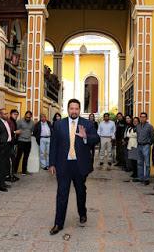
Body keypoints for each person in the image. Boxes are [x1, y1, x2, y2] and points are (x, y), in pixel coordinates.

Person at [49, 99, 100, 235]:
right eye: (71, 108)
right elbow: (53, 145)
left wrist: (85, 137)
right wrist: (52, 163)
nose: (74, 111)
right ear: (68, 109)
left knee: (81, 191)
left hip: (80, 165)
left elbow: (96, 139)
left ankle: (82, 213)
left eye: (76, 109)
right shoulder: (59, 124)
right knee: (61, 194)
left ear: (79, 109)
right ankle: (58, 223)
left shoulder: (87, 124)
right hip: (63, 165)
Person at [0, 108, 13, 191]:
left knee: (5, 166)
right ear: (0, 115)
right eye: (5, 114)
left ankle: (3, 182)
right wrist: (1, 144)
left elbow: (7, 133)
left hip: (8, 146)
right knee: (1, 166)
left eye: (7, 113)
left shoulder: (6, 122)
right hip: (2, 147)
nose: (7, 115)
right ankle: (0, 185)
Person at [136, 112, 154, 185]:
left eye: (144, 117)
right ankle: (141, 178)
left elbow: (152, 136)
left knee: (147, 163)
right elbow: (137, 135)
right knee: (139, 162)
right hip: (139, 145)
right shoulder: (138, 126)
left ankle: (146, 178)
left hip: (146, 146)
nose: (142, 118)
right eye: (141, 117)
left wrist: (149, 143)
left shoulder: (150, 126)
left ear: (146, 118)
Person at [15, 111, 35, 175]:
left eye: (29, 117)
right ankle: (14, 171)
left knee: (26, 156)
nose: (27, 118)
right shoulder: (19, 121)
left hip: (28, 142)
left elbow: (31, 130)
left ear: (31, 117)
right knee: (18, 156)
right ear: (25, 115)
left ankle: (24, 171)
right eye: (26, 117)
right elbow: (16, 129)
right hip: (21, 141)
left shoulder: (32, 122)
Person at [8, 109, 21, 181]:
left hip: (14, 143)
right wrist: (16, 132)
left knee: (13, 160)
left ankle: (12, 174)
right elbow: (8, 132)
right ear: (11, 114)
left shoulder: (13, 121)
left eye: (17, 114)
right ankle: (10, 175)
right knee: (11, 160)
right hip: (10, 144)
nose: (16, 116)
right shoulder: (9, 121)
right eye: (14, 114)